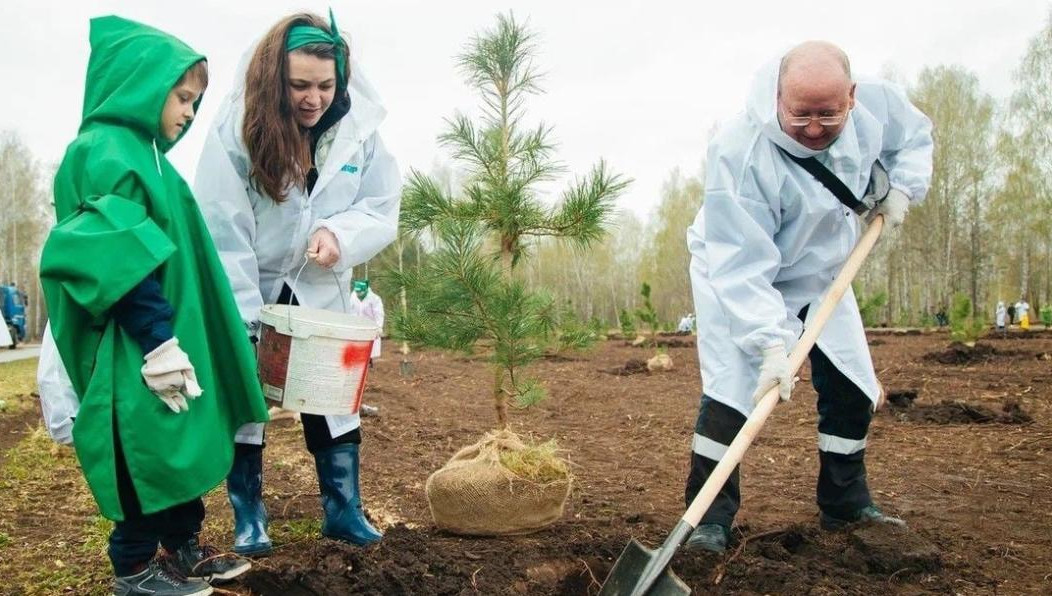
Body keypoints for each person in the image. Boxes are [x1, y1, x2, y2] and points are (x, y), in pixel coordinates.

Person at [38, 16, 270, 596]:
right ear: (139, 83)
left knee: (180, 443)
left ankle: (185, 546)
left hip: (171, 335)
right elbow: (118, 253)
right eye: (182, 97)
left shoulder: (148, 155)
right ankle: (135, 567)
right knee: (141, 448)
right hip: (136, 341)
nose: (189, 112)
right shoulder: (103, 150)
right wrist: (157, 341)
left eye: (195, 100)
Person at [684, 41, 933, 553]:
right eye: (801, 115)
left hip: (823, 270)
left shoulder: (878, 108)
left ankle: (844, 502)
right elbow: (740, 263)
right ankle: (709, 518)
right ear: (778, 98)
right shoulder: (740, 152)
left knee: (852, 383)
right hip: (735, 273)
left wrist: (902, 188)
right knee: (734, 388)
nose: (815, 128)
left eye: (829, 113)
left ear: (853, 97)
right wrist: (771, 345)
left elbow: (913, 138)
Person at [194, 11, 401, 557]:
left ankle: (343, 511)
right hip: (254, 281)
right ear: (273, 80)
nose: (314, 98)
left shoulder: (359, 131)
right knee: (247, 398)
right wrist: (242, 310)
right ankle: (250, 517)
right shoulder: (237, 130)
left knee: (333, 397)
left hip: (319, 283)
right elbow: (222, 225)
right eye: (300, 85)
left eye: (326, 85)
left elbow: (380, 207)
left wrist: (340, 233)